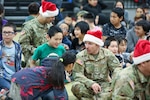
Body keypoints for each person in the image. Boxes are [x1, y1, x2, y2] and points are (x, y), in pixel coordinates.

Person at [1, 51, 76, 100]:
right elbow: (60, 96)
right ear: (71, 65)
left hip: (19, 77)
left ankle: (5, 96)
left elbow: (44, 61)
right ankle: (4, 96)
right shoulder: (58, 73)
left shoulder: (55, 63)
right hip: (23, 84)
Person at [71, 28, 121, 99]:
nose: (87, 46)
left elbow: (117, 69)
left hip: (104, 85)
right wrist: (91, 83)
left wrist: (115, 81)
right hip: (87, 84)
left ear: (97, 45)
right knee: (75, 86)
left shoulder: (107, 54)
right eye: (86, 43)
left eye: (90, 44)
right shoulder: (81, 56)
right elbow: (77, 74)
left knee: (112, 91)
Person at [19, 1, 59, 67]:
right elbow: (23, 45)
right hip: (34, 62)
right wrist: (38, 51)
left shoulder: (49, 26)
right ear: (45, 15)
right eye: (52, 17)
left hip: (49, 60)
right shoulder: (29, 26)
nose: (53, 19)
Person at [0, 23, 22, 91]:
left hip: (15, 76)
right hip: (2, 76)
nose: (6, 35)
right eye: (4, 32)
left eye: (9, 33)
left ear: (15, 34)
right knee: (11, 91)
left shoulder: (18, 47)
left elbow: (19, 62)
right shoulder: (0, 46)